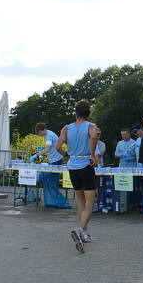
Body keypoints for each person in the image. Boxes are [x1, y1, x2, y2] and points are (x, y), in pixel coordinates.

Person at [56, 100, 99, 253]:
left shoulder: (67, 128)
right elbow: (94, 136)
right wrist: (93, 155)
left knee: (80, 200)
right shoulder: (90, 126)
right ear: (88, 113)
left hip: (72, 166)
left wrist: (67, 154)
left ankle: (85, 234)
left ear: (76, 113)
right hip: (85, 165)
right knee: (90, 203)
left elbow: (57, 147)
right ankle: (80, 230)